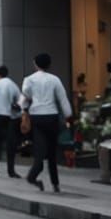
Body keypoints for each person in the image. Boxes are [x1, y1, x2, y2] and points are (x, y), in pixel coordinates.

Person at [21, 53, 73, 194]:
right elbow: (63, 99)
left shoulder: (29, 79)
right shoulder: (55, 79)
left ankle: (32, 176)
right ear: (49, 65)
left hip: (37, 117)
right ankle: (55, 184)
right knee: (52, 152)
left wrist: (25, 108)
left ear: (36, 64)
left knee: (39, 149)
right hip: (51, 117)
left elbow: (25, 96)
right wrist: (69, 116)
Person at [0, 65, 21, 180]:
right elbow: (20, 100)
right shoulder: (12, 84)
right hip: (10, 117)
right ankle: (11, 171)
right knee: (10, 144)